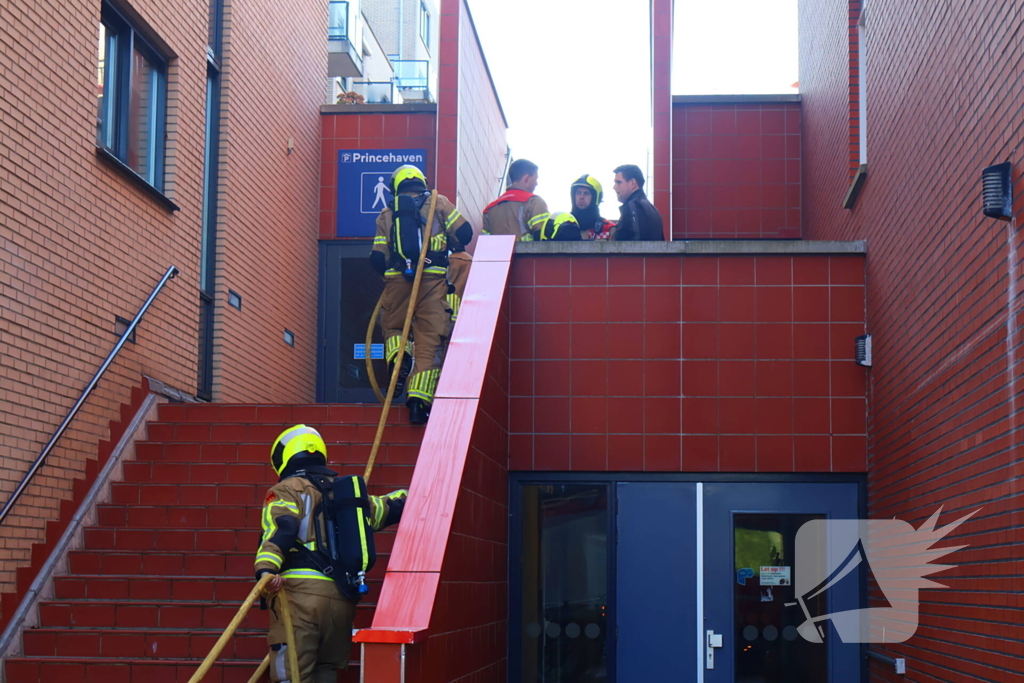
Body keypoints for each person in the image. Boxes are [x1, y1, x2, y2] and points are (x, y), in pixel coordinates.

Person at [255, 425, 408, 683]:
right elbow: (387, 508)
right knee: (326, 671)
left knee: (291, 675)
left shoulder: (285, 489)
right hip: (341, 599)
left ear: (284, 457)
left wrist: (265, 569)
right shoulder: (347, 493)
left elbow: (283, 527)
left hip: (299, 598)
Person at [370, 165, 473, 423]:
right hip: (432, 280)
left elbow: (376, 258)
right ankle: (417, 402)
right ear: (421, 182)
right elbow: (465, 233)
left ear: (396, 186)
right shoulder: (439, 202)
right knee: (430, 342)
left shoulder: (387, 212)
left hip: (397, 282)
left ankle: (399, 356)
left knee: (394, 327)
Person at [482, 158, 550, 240]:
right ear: (526, 178)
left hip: (497, 253)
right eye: (535, 179)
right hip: (526, 252)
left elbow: (485, 241)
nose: (536, 183)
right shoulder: (534, 202)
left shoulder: (490, 209)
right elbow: (544, 237)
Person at [612, 164, 663, 241]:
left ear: (632, 183)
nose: (614, 187)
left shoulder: (633, 206)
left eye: (618, 182)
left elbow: (634, 246)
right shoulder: (652, 209)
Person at [570, 175, 615, 240]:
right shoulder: (565, 226)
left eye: (586, 193)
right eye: (578, 193)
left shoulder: (608, 229)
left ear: (596, 198)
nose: (581, 197)